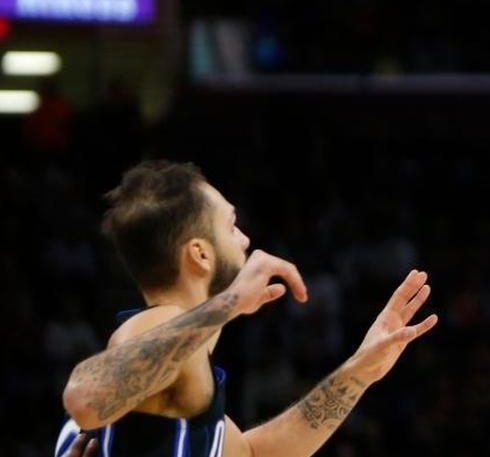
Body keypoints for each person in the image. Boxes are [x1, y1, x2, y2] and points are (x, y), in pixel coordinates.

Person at [56, 160, 438, 457]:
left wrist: (359, 371)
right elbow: (86, 397)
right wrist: (232, 300)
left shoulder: (181, 384)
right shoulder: (161, 321)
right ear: (200, 254)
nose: (245, 239)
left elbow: (255, 453)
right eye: (231, 226)